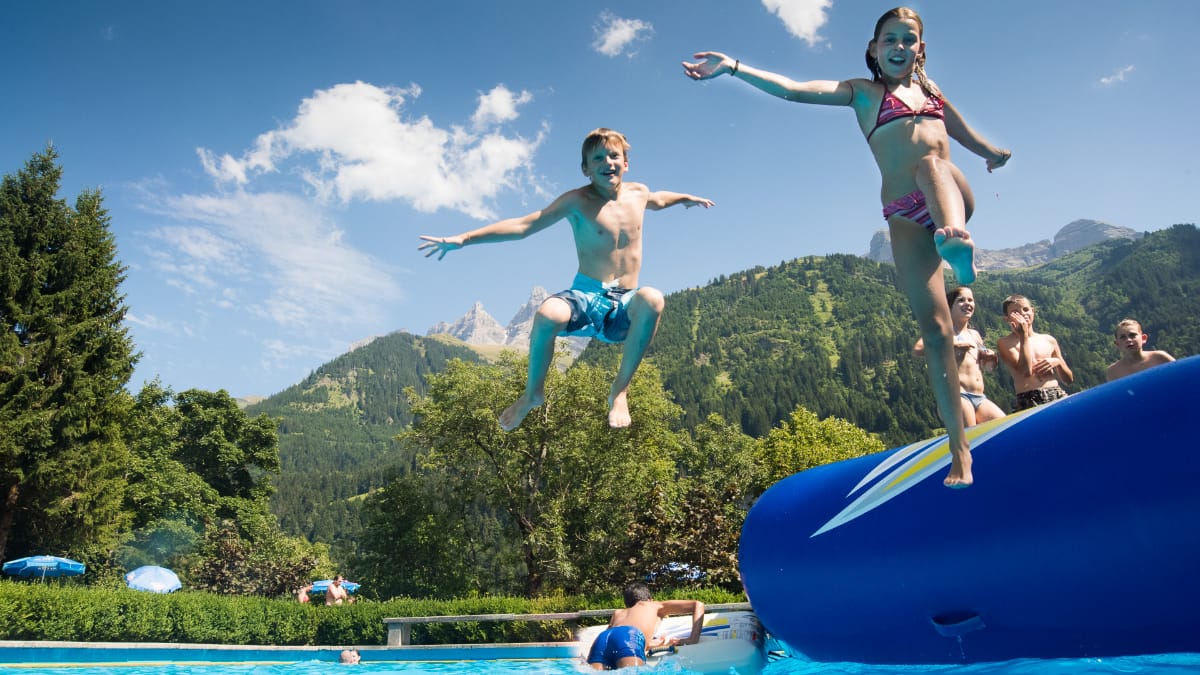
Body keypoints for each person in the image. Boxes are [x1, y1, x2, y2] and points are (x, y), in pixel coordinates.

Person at [682, 7, 1010, 487]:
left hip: (951, 198)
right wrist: (733, 66)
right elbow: (794, 90)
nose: (900, 47)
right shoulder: (864, 93)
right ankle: (959, 452)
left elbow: (958, 130)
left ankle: (956, 241)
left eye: (909, 40)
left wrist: (993, 154)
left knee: (932, 165)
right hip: (905, 217)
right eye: (890, 40)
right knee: (937, 331)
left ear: (921, 49)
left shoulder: (933, 91)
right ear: (875, 49)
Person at [419, 128, 713, 430]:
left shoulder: (638, 193)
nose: (607, 162)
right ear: (586, 169)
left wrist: (686, 198)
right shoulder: (576, 201)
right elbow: (524, 225)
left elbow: (659, 199)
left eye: (614, 156)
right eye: (598, 158)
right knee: (548, 314)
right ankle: (532, 394)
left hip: (625, 302)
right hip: (586, 295)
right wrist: (464, 238)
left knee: (653, 298)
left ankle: (620, 391)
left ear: (626, 163)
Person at [914, 286, 1004, 427]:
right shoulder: (942, 332)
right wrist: (952, 345)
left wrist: (992, 358)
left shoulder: (975, 335)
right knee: (972, 437)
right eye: (961, 300)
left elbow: (987, 367)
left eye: (970, 300)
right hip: (956, 396)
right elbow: (917, 349)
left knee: (1002, 427)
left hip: (979, 397)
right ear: (949, 307)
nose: (967, 303)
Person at [586, 582, 705, 670]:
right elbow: (697, 605)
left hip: (602, 638)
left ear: (627, 604)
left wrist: (656, 644)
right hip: (629, 635)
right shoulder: (655, 605)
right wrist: (692, 639)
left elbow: (617, 639)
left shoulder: (618, 613)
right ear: (650, 598)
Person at [997, 294, 1074, 410]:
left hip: (1056, 392)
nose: (1023, 313)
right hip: (1029, 397)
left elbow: (1069, 379)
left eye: (1026, 309)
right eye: (1015, 312)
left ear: (1033, 311)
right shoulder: (1005, 342)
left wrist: (1057, 361)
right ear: (1007, 318)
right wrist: (1024, 336)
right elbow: (1025, 371)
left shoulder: (1048, 340)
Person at [1106, 319, 1175, 382]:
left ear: (1143, 338)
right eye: (1123, 337)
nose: (1128, 340)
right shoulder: (1113, 371)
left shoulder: (1159, 358)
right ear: (1117, 344)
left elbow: (1181, 376)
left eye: (1132, 335)